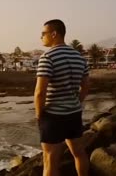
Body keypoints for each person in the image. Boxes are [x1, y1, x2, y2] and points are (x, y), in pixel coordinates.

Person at [35, 19, 90, 176]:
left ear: (54, 34)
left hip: (53, 116)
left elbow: (40, 91)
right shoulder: (79, 57)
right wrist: (76, 102)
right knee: (79, 153)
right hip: (74, 113)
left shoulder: (47, 57)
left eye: (43, 33)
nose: (41, 37)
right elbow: (86, 86)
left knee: (50, 159)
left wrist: (39, 115)